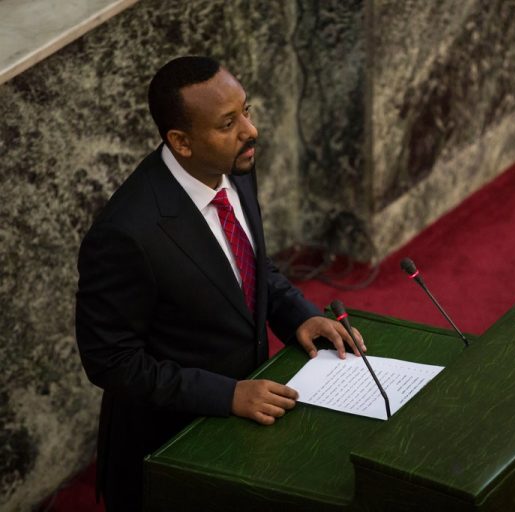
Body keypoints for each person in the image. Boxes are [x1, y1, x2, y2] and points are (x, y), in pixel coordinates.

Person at [75, 56, 364, 512]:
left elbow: (250, 265)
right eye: (228, 123)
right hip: (170, 451)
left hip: (247, 429)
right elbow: (110, 361)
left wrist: (298, 316)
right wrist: (226, 395)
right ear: (181, 142)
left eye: (246, 111)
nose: (251, 130)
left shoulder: (234, 167)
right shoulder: (126, 233)